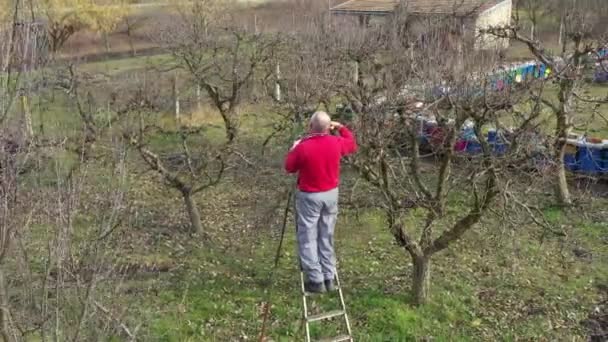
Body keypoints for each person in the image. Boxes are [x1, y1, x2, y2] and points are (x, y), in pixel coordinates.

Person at [284, 111, 357, 293]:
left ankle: (316, 280)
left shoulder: (303, 147)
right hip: (331, 194)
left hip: (310, 196)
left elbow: (289, 167)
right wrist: (340, 127)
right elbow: (352, 144)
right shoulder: (336, 142)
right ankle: (329, 277)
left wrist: (294, 148)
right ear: (328, 127)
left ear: (310, 127)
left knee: (308, 237)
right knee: (326, 235)